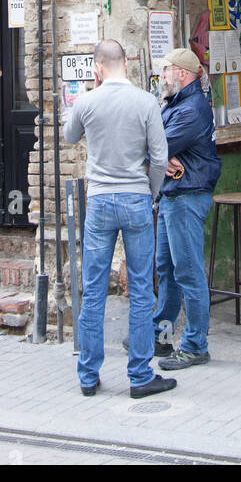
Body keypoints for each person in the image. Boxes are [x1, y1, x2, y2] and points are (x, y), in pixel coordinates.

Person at [62, 38, 175, 399]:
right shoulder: (146, 102)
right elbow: (160, 158)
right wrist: (152, 192)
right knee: (142, 289)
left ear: (97, 68)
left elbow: (69, 136)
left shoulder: (88, 102)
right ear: (127, 63)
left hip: (98, 202)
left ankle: (88, 375)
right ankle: (140, 376)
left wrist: (91, 95)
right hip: (136, 198)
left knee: (93, 288)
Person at [153, 46, 222, 370]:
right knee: (166, 269)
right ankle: (161, 336)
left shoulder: (191, 108)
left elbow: (157, 146)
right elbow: (154, 145)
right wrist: (157, 154)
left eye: (165, 70)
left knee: (188, 272)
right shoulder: (175, 103)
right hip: (172, 195)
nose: (161, 76)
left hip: (186, 196)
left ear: (181, 73)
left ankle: (195, 345)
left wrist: (157, 154)